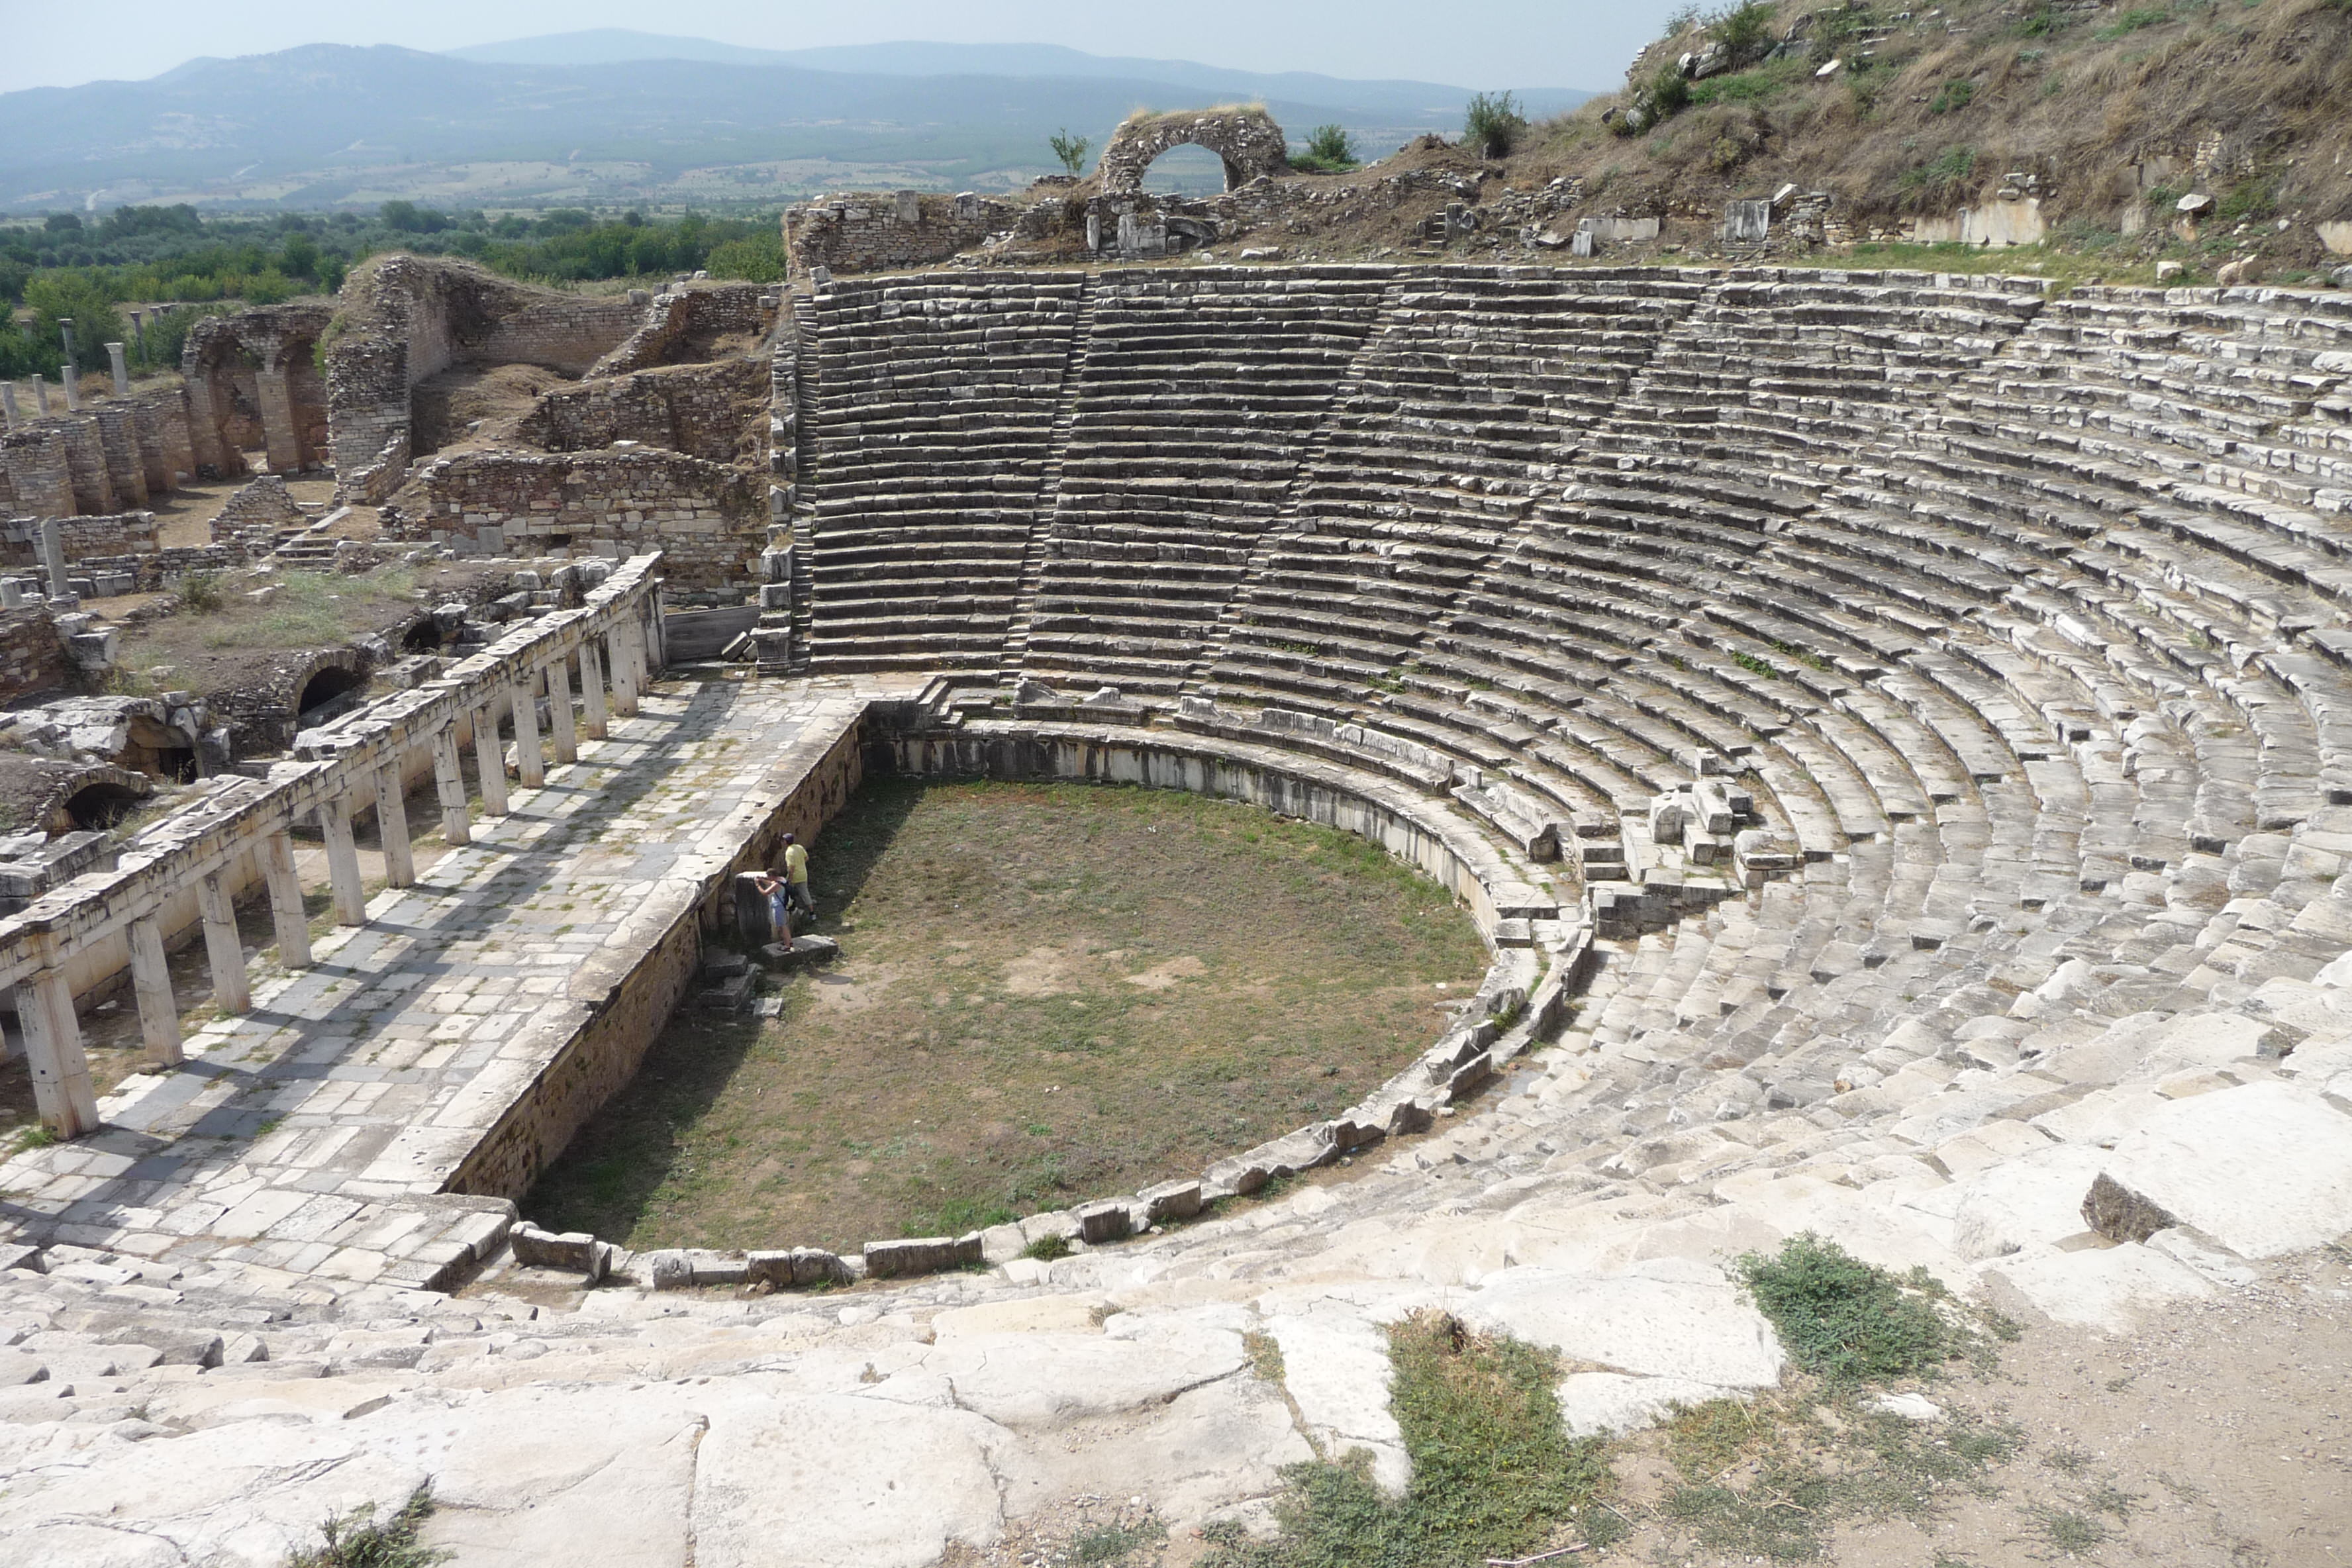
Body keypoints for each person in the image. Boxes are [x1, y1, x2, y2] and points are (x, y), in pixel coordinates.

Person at [779, 832, 815, 924]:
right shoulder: (799, 847)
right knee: (805, 893)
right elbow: (807, 858)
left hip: (795, 876)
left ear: (785, 842)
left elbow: (791, 868)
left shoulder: (789, 852)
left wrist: (790, 879)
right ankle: (812, 913)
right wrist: (801, 864)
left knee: (788, 893)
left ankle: (791, 911)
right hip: (803, 874)